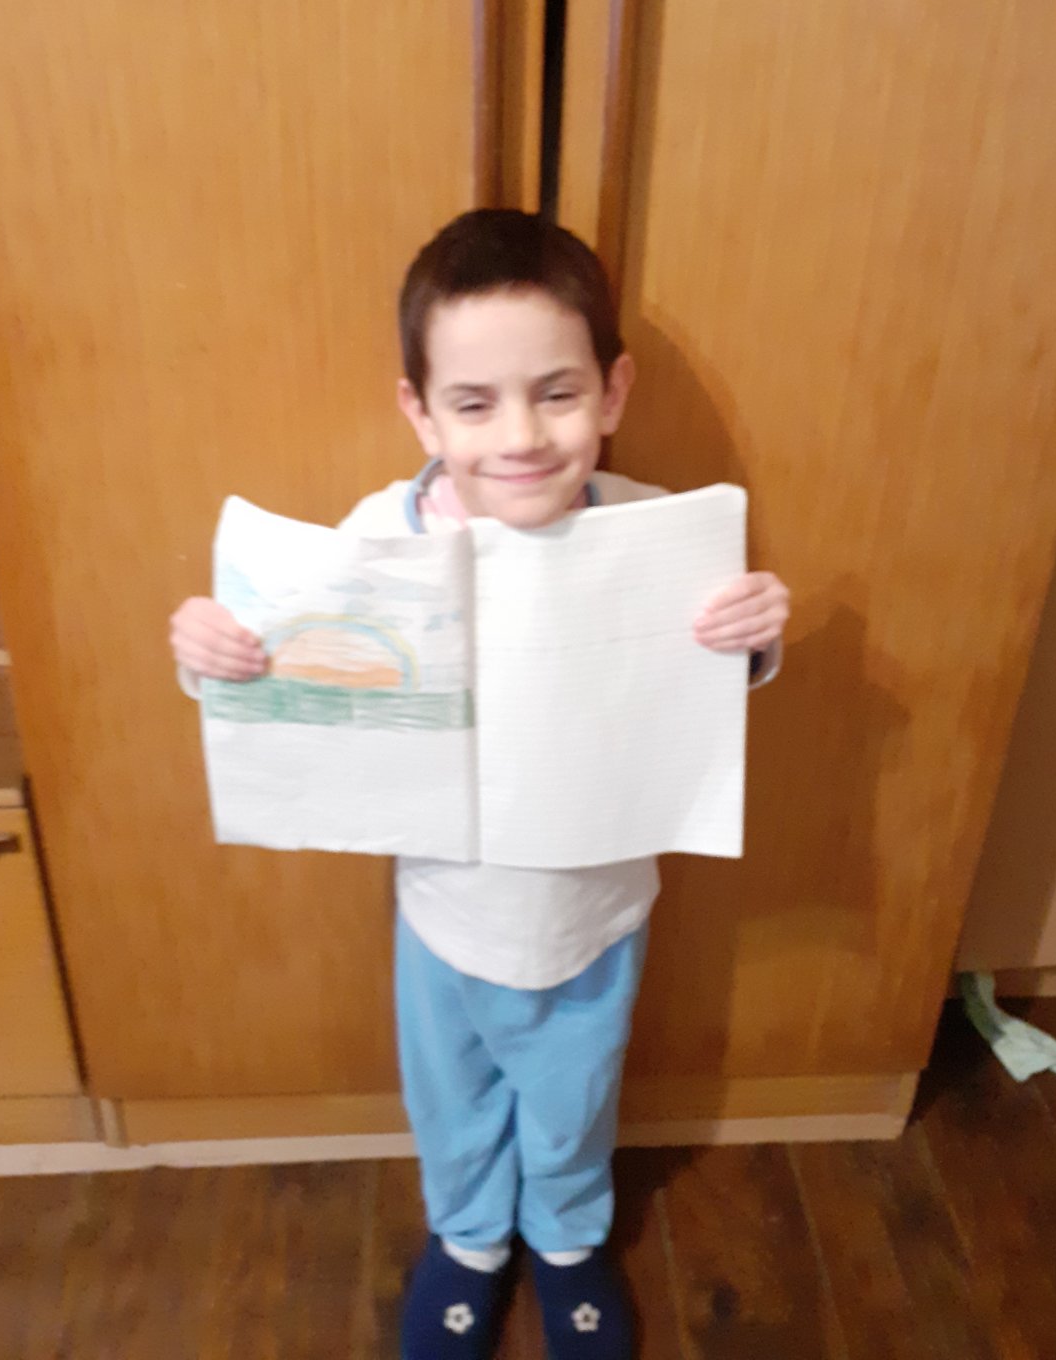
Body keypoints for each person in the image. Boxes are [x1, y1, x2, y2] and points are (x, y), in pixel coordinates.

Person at [170, 209, 789, 1359]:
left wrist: (752, 635)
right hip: (443, 914)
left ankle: (566, 1237)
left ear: (612, 390)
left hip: (597, 911)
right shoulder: (382, 536)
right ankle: (467, 1238)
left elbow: (709, 683)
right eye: (474, 403)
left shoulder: (654, 529)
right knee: (452, 1101)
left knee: (573, 1096)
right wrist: (219, 654)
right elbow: (296, 671)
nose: (521, 436)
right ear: (420, 411)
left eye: (557, 394)